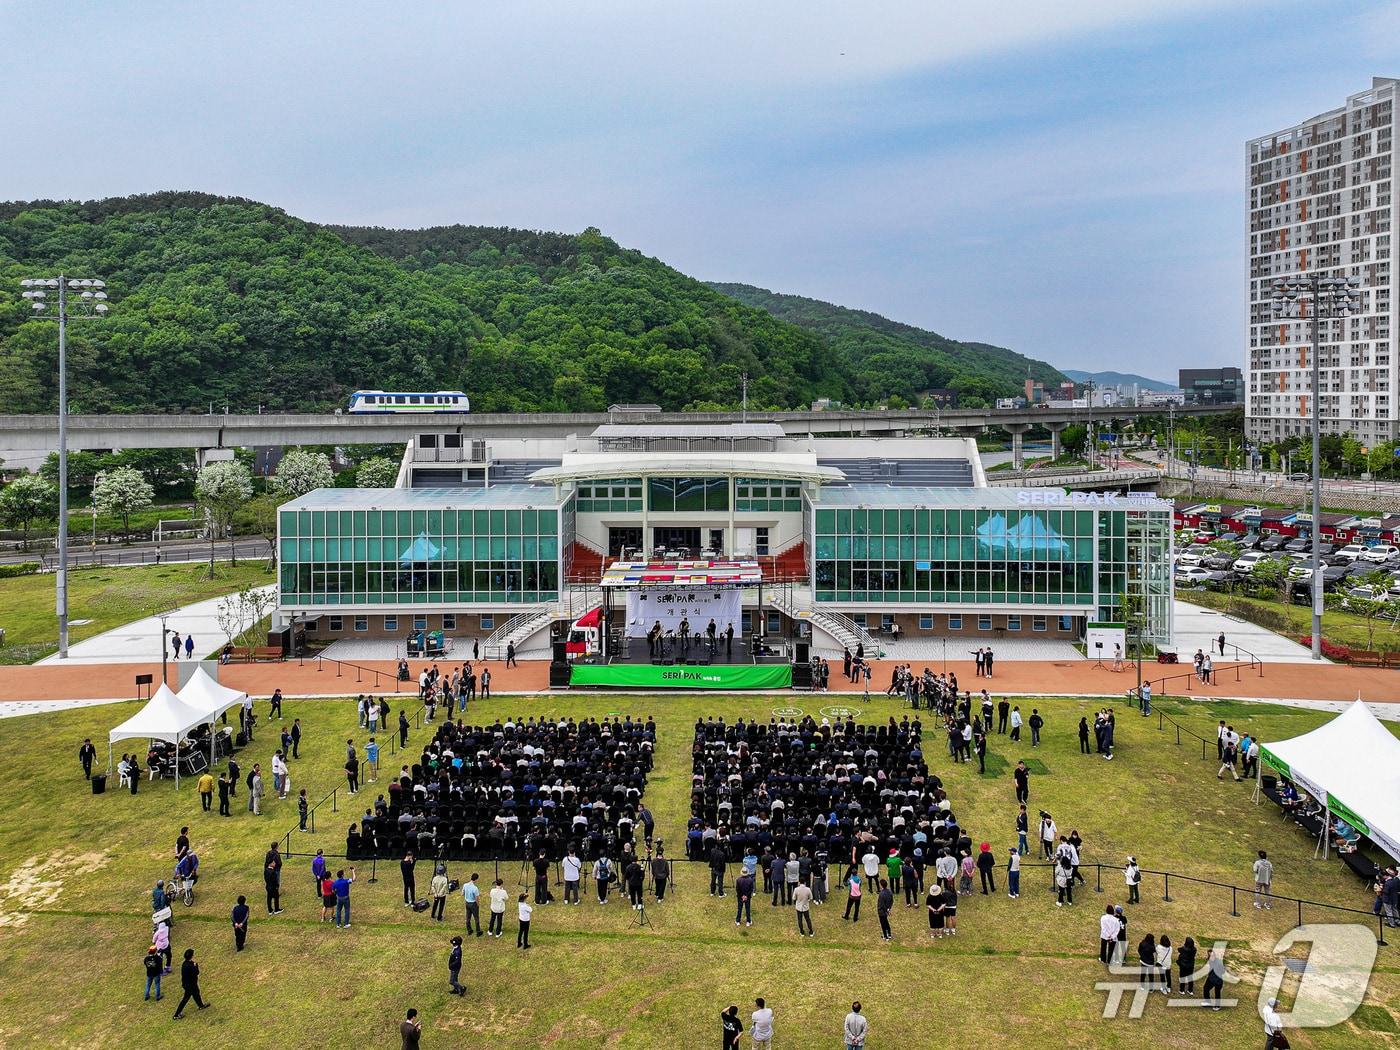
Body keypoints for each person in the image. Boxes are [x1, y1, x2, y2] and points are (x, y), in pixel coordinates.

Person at [171, 948, 208, 1019]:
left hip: (188, 984)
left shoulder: (184, 964)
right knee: (186, 999)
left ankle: (201, 1005)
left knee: (196, 993)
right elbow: (196, 973)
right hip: (190, 985)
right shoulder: (191, 965)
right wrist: (196, 966)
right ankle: (176, 1015)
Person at [264, 842, 283, 914]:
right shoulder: (276, 854)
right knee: (276, 896)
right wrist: (277, 886)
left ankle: (270, 910)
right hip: (273, 886)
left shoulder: (268, 853)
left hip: (268, 886)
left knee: (269, 898)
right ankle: (276, 909)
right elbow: (279, 863)